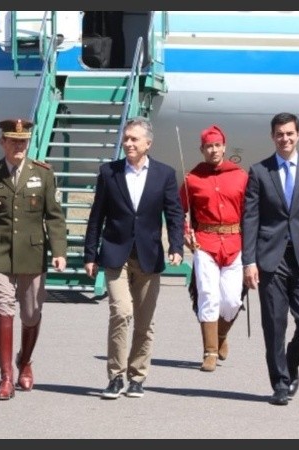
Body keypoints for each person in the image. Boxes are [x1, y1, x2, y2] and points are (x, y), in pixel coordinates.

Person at [83, 116, 185, 399]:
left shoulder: (164, 174)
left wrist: (176, 245)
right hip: (116, 253)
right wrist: (90, 254)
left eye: (134, 139)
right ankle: (115, 376)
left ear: (147, 144)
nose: (128, 143)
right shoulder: (109, 172)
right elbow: (97, 216)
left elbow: (175, 214)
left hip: (149, 255)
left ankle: (137, 377)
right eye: (126, 138)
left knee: (144, 321)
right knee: (121, 312)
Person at [241, 112, 299, 406]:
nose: (285, 138)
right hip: (270, 259)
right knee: (274, 325)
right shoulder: (259, 172)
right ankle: (280, 384)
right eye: (279, 134)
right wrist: (249, 261)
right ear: (273, 137)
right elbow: (251, 219)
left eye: (290, 133)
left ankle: (291, 362)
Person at [0, 118, 68, 401]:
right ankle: (5, 378)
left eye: (23, 141)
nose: (19, 146)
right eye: (13, 141)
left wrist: (59, 251)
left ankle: (24, 361)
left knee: (31, 312)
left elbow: (54, 216)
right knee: (3, 306)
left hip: (32, 252)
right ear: (3, 142)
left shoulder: (43, 174)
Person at [179, 125, 248, 372]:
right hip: (205, 243)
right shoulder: (192, 179)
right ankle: (209, 351)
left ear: (224, 147)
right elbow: (178, 211)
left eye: (217, 145)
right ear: (202, 149)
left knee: (231, 300)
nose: (214, 150)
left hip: (235, 243)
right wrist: (186, 234)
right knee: (208, 295)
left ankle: (220, 337)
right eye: (209, 146)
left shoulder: (240, 176)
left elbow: (250, 213)